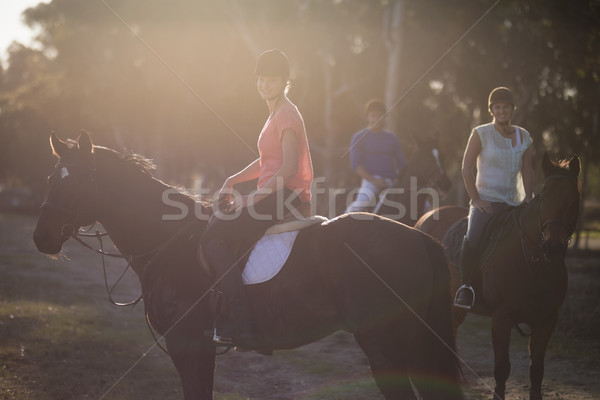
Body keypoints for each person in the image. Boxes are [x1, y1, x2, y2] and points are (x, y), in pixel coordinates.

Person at [201, 49, 313, 346]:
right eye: (261, 79)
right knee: (218, 224)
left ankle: (240, 321)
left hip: (287, 195)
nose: (265, 85)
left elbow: (288, 166)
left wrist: (252, 199)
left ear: (284, 81)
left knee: (212, 236)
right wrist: (232, 180)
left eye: (271, 80)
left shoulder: (287, 113)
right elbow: (267, 161)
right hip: (275, 191)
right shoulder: (275, 113)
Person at [454, 87, 534, 309]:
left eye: (505, 107)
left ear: (512, 109)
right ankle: (465, 286)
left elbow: (528, 170)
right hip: (487, 201)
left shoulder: (523, 136)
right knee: (473, 235)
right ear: (492, 110)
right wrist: (476, 199)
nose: (502, 111)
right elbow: (466, 167)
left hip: (515, 203)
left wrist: (529, 197)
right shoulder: (481, 133)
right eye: (497, 107)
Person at [345, 99, 405, 213]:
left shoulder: (392, 138)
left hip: (392, 182)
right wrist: (374, 181)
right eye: (373, 116)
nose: (376, 119)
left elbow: (401, 164)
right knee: (358, 207)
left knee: (425, 206)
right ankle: (341, 224)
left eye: (380, 116)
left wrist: (397, 179)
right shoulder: (358, 137)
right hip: (370, 182)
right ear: (368, 117)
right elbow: (356, 165)